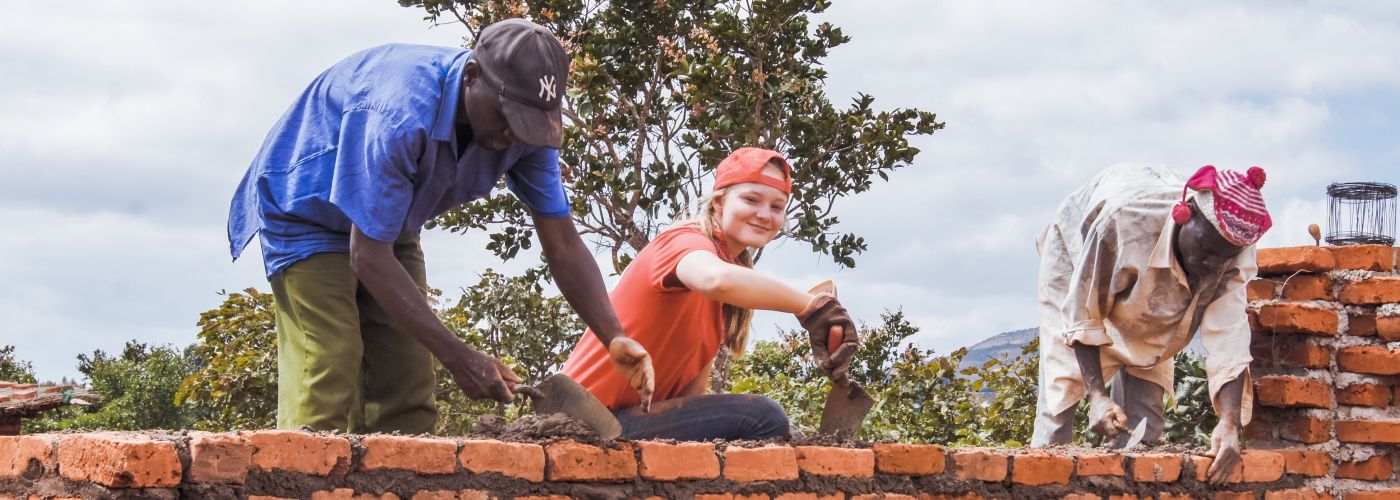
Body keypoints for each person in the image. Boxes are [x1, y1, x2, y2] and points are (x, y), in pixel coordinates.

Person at [226, 19, 654, 434]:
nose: (512, 133)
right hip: (306, 210)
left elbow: (561, 244)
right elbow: (367, 256)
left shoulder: (528, 135)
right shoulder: (400, 113)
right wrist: (460, 357)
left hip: (391, 219)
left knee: (408, 378)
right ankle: (304, 479)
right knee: (330, 357)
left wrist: (613, 335)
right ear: (471, 76)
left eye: (527, 122)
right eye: (507, 115)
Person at [559, 147, 858, 440]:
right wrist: (809, 306)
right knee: (764, 415)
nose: (764, 214)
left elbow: (693, 401)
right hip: (583, 421)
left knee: (774, 430)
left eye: (777, 207)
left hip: (630, 424)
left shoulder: (724, 305)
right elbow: (715, 278)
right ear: (718, 203)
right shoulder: (683, 241)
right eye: (751, 199)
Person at [1031, 163, 1272, 483]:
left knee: (1143, 432)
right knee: (1059, 406)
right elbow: (1081, 312)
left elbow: (1229, 338)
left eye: (1222, 257)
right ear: (1184, 214)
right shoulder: (1124, 222)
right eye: (1206, 249)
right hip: (1078, 259)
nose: (1212, 263)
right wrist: (1098, 396)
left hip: (1155, 310)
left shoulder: (1233, 249)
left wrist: (1229, 423)